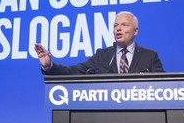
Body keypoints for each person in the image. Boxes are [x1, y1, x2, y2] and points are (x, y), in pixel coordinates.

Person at [34, 11, 164, 75]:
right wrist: (49, 65)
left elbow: (166, 88)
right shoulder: (102, 56)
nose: (118, 28)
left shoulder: (149, 57)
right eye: (115, 25)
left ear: (135, 31)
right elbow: (74, 72)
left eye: (124, 25)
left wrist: (177, 104)